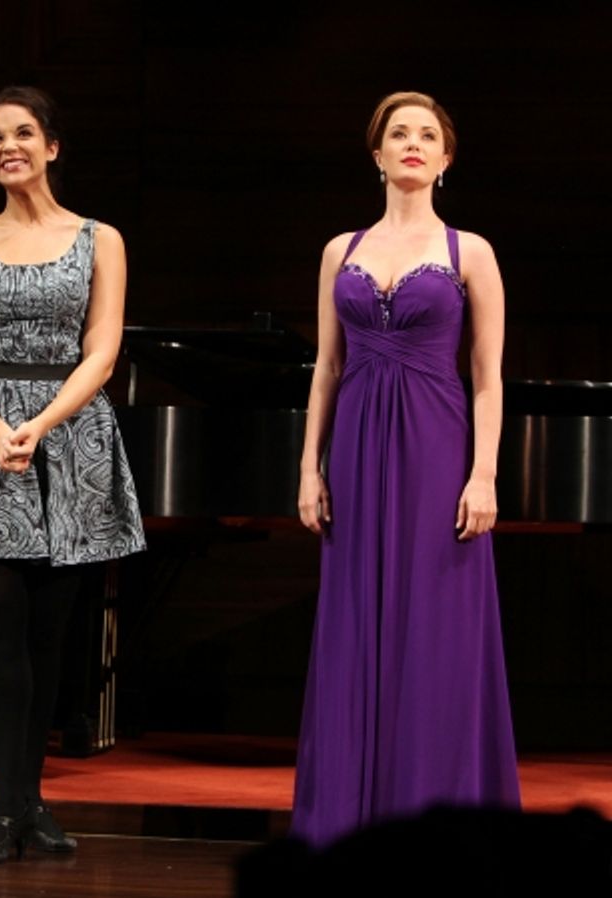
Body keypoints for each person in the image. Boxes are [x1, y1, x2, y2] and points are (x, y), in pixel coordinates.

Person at [0, 85, 145, 863]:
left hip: (70, 439)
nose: (6, 145)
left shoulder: (98, 238)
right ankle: (1, 808)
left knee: (48, 638)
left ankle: (31, 802)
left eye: (21, 133)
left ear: (52, 146)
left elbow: (102, 350)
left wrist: (41, 426)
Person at [291, 91, 520, 848]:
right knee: (355, 620)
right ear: (379, 155)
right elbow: (325, 367)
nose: (414, 144)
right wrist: (309, 469)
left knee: (435, 630)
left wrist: (483, 475)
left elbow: (488, 378)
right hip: (356, 449)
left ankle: (437, 821)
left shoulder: (470, 252)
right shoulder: (339, 250)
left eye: (428, 135)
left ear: (446, 160)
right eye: (400, 134)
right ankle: (350, 822)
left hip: (436, 450)